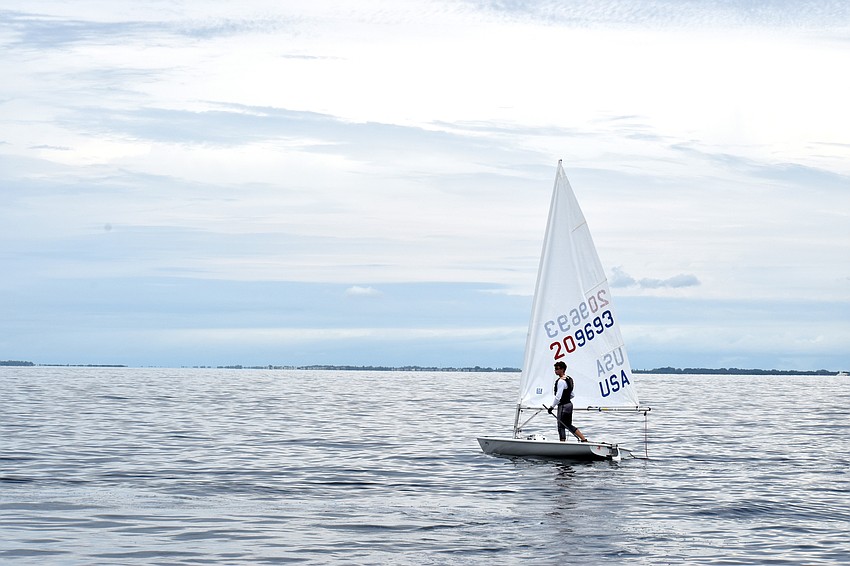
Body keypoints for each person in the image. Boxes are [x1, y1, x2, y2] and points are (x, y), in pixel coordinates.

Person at [547, 361, 588, 442]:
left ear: (562, 369)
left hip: (563, 406)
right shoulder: (569, 379)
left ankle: (562, 443)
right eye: (555, 369)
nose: (555, 371)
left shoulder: (561, 381)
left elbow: (558, 397)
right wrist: (566, 399)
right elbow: (572, 394)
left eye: (557, 369)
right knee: (568, 425)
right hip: (569, 405)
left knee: (561, 426)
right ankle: (583, 439)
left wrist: (551, 407)